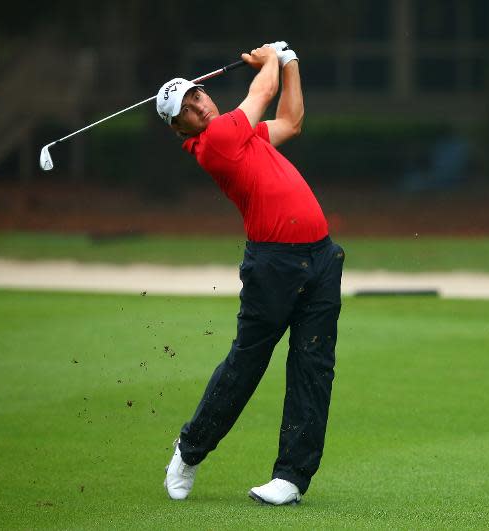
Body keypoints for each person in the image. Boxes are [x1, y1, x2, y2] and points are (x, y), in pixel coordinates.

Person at [156, 42, 344, 506]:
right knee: (247, 365)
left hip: (320, 260)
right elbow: (263, 92)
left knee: (313, 368)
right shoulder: (217, 140)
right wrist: (271, 60)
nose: (198, 104)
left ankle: (291, 478)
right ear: (179, 127)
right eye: (186, 107)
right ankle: (189, 450)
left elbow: (291, 121)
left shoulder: (241, 137)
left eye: (196, 94)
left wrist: (292, 61)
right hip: (273, 267)